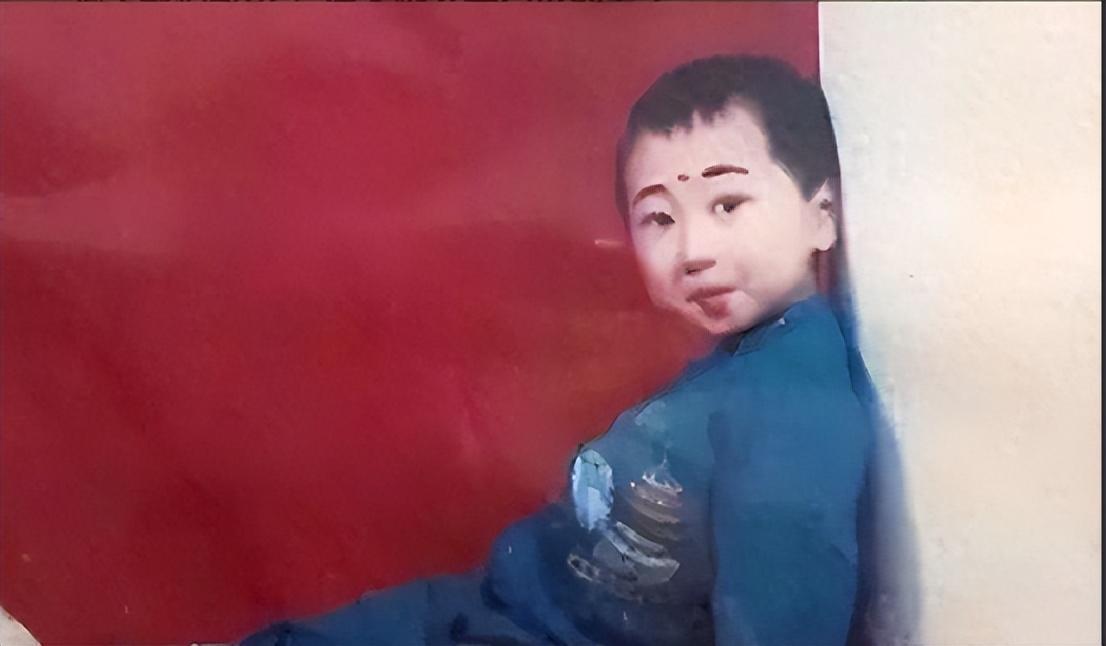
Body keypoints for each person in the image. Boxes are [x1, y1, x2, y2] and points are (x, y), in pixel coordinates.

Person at [241, 54, 875, 646]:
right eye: (660, 219)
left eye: (727, 204)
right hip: (491, 608)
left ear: (822, 215)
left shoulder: (794, 414)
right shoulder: (749, 354)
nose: (692, 250)